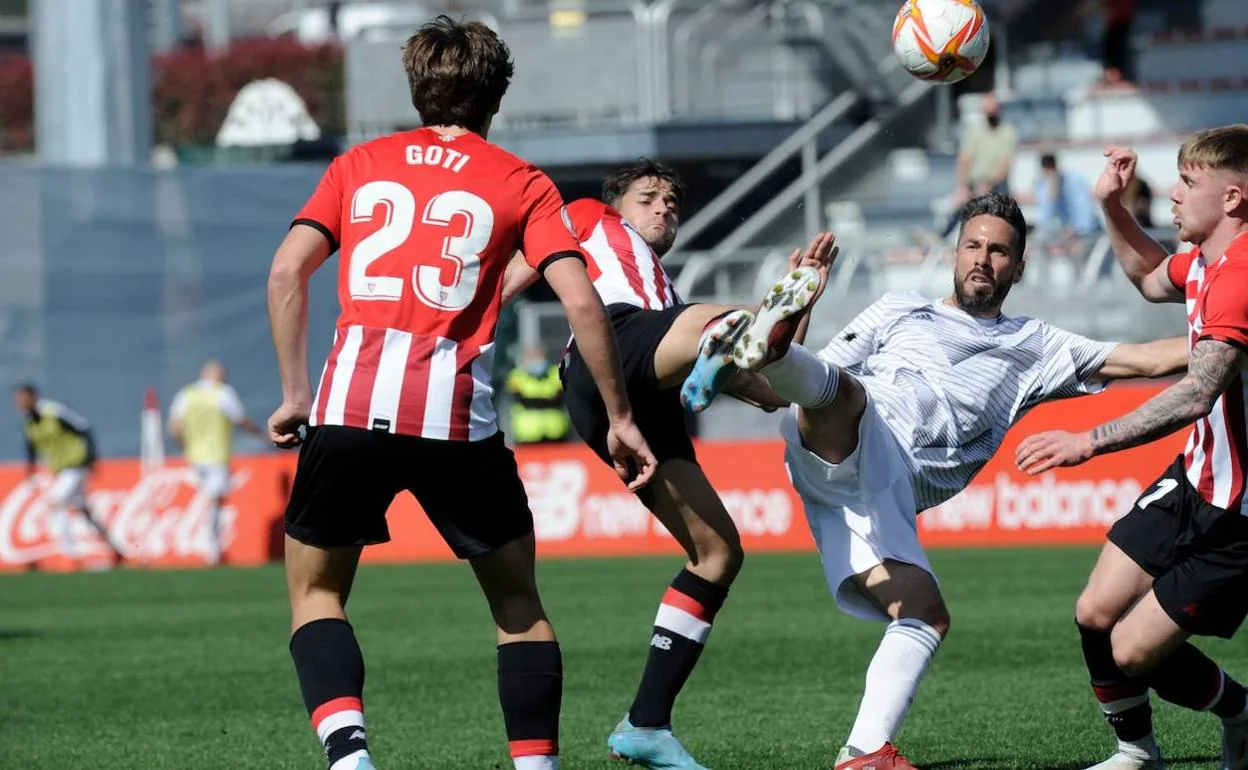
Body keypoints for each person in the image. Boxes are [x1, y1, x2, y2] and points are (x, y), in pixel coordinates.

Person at [266, 17, 656, 770]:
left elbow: (287, 272)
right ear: (496, 97)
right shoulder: (522, 181)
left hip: (348, 407)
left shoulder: (358, 165)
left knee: (316, 595)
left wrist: (294, 394)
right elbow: (580, 302)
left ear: (415, 89)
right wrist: (620, 416)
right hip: (455, 417)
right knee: (517, 607)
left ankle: (351, 761)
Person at [684, 192, 1190, 769]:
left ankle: (863, 754)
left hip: (876, 492)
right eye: (972, 245)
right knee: (844, 393)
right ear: (954, 253)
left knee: (925, 613)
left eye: (998, 251)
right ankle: (764, 348)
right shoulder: (897, 308)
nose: (982, 258)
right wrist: (797, 318)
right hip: (855, 435)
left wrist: (1230, 333)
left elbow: (1148, 359)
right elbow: (785, 398)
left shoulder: (1038, 346)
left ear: (1018, 268)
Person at [501, 157, 802, 769]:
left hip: (648, 387)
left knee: (718, 552)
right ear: (618, 202)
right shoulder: (590, 216)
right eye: (649, 196)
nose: (665, 206)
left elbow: (769, 391)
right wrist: (466, 324)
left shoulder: (665, 287)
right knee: (709, 326)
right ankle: (722, 347)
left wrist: (794, 309)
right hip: (610, 344)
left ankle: (647, 723)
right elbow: (522, 265)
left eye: (672, 199)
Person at [1014, 127, 1248, 770]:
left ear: (1232, 198)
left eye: (1188, 184)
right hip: (1195, 477)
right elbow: (1148, 275)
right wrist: (1112, 207)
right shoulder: (1206, 262)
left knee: (1133, 651)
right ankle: (1137, 751)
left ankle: (1243, 712)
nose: (1171, 196)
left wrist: (1089, 440)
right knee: (1095, 611)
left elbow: (1196, 393)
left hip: (1239, 512)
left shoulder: (1243, 275)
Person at [13, 383, 123, 566]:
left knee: (55, 502)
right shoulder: (29, 421)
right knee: (83, 511)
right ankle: (116, 549)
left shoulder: (54, 412)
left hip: (76, 465)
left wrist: (91, 457)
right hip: (61, 470)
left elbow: (84, 428)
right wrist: (30, 471)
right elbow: (31, 447)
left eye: (22, 398)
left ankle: (71, 555)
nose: (19, 403)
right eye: (17, 400)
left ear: (33, 397)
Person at [168, 359, 263, 565]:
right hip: (216, 455)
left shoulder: (186, 394)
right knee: (216, 498)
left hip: (194, 456)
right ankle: (211, 547)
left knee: (208, 497)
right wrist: (261, 435)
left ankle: (209, 544)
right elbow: (240, 419)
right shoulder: (223, 393)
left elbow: (175, 426)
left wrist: (184, 446)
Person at [941, 94, 1018, 238]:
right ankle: (942, 236)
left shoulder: (1007, 131)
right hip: (975, 182)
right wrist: (962, 186)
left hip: (996, 183)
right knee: (963, 206)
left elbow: (1005, 163)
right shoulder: (975, 132)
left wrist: (988, 185)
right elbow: (964, 160)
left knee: (1003, 213)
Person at [505, 345, 571, 444]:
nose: (536, 360)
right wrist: (547, 400)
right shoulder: (516, 376)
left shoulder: (557, 373)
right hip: (527, 433)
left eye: (539, 356)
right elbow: (522, 400)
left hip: (555, 431)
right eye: (532, 357)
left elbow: (560, 399)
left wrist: (536, 401)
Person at [1034, 152, 1102, 240]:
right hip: (1067, 235)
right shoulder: (1042, 185)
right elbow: (1045, 216)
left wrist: (1076, 229)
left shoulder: (1074, 180)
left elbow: (1085, 211)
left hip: (1089, 233)